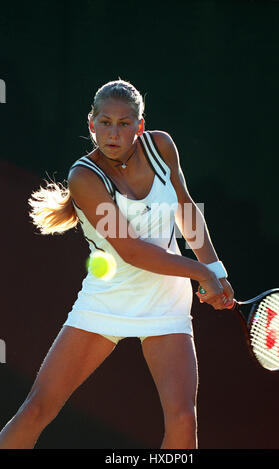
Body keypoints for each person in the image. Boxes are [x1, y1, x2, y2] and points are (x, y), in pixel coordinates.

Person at [0, 79, 234, 449]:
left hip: (165, 301)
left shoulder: (161, 147)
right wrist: (200, 272)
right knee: (37, 409)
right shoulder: (84, 177)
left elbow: (186, 208)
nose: (113, 132)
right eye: (105, 122)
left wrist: (216, 270)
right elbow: (132, 251)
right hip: (106, 300)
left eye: (124, 123)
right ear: (91, 124)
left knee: (183, 419)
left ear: (140, 126)